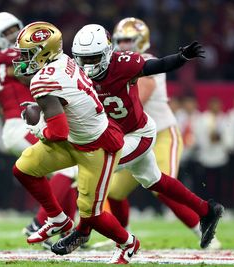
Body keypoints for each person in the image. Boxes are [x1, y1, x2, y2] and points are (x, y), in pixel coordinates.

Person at [58, 24, 224, 256]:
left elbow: (157, 65)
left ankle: (83, 230)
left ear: (106, 53)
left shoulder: (125, 63)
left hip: (138, 134)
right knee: (155, 180)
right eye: (83, 59)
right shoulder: (76, 71)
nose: (87, 65)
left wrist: (182, 56)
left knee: (95, 169)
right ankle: (207, 209)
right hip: (117, 136)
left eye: (94, 58)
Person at [12, 21, 139, 264]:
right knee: (24, 168)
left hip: (97, 145)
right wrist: (41, 106)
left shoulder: (41, 80)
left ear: (43, 51)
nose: (22, 59)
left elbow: (57, 132)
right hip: (75, 139)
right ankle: (57, 218)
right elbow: (66, 99)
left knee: (91, 214)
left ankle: (128, 244)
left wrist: (35, 125)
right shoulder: (63, 60)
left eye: (27, 53)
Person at [0, 13, 77, 248]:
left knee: (70, 175)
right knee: (69, 170)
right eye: (6, 32)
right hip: (21, 125)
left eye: (14, 29)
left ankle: (66, 231)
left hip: (30, 124)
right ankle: (40, 223)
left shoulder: (17, 55)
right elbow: (29, 68)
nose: (13, 35)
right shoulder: (4, 56)